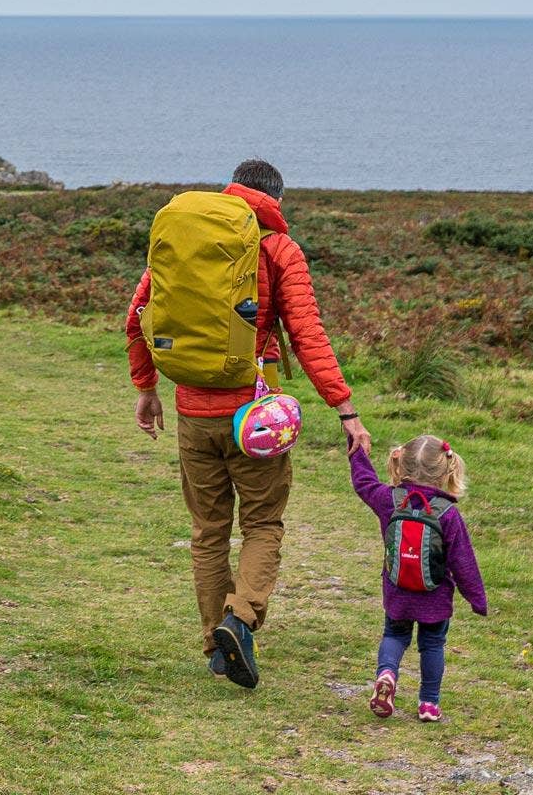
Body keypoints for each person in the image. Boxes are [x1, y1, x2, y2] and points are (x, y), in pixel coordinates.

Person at [124, 159, 371, 689]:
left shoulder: (190, 239)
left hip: (192, 410)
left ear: (231, 189)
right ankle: (241, 618)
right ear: (277, 199)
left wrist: (146, 388)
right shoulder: (279, 248)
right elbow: (308, 336)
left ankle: (217, 641)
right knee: (262, 524)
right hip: (256, 417)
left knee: (208, 530)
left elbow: (137, 316)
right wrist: (344, 408)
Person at [348, 435, 487, 722]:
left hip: (397, 590)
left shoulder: (389, 500)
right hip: (434, 597)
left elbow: (363, 482)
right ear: (446, 471)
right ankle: (428, 704)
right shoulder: (448, 514)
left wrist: (356, 449)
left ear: (401, 463)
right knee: (433, 645)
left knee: (394, 635)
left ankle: (387, 673)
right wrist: (477, 599)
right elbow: (463, 561)